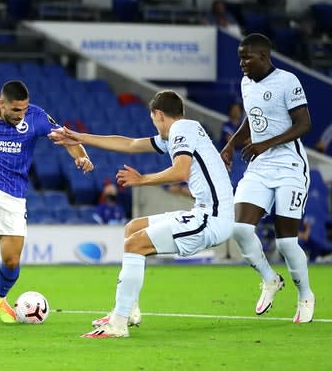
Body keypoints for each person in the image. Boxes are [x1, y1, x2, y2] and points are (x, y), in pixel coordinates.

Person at [49, 90, 234, 338]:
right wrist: (80, 137)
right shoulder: (183, 131)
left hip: (211, 219)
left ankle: (118, 323)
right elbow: (130, 144)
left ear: (158, 115)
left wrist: (142, 179)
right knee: (133, 229)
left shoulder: (181, 130)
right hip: (206, 213)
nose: (154, 125)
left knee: (136, 244)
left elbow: (180, 172)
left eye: (153, 120)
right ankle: (129, 309)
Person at [0, 80, 93, 323]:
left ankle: (0, 298)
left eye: (24, 109)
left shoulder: (36, 117)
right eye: (16, 110)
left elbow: (64, 137)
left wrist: (82, 157)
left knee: (11, 262)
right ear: (2, 104)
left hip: (14, 195)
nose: (21, 115)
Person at [221, 33, 315, 323]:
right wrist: (232, 143)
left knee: (287, 243)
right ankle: (270, 278)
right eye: (239, 57)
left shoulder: (288, 81)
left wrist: (266, 143)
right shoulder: (247, 83)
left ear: (263, 56)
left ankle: (305, 295)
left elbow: (305, 124)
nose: (242, 63)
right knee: (238, 228)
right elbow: (252, 117)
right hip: (260, 167)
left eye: (247, 57)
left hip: (290, 166)